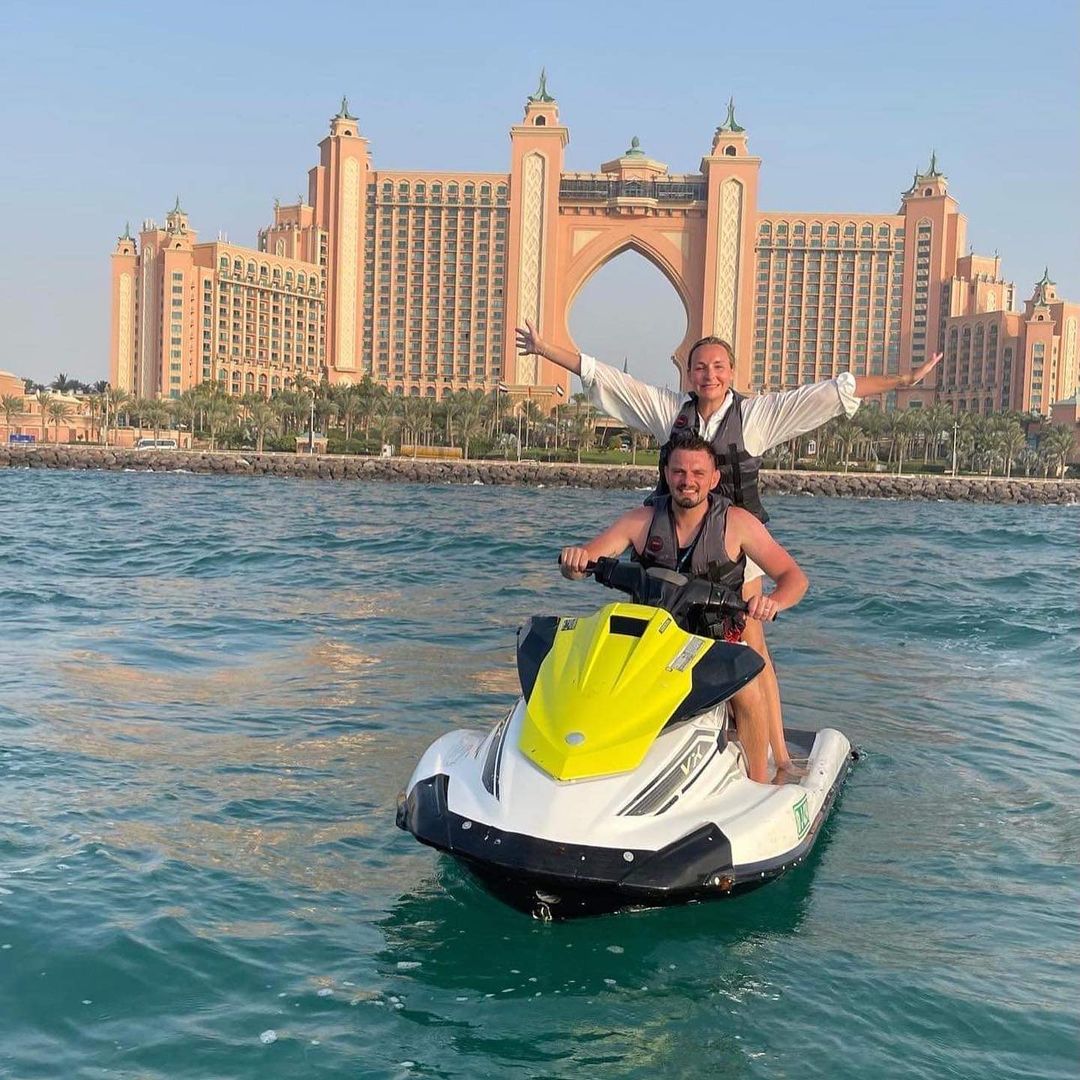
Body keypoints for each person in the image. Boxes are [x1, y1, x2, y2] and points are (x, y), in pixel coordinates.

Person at [518, 321, 942, 771]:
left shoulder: (756, 417)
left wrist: (903, 379)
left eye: (719, 366)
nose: (710, 375)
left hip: (736, 547)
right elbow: (608, 378)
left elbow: (829, 394)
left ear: (732, 372)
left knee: (752, 648)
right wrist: (546, 350)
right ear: (688, 374)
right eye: (700, 367)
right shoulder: (670, 413)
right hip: (675, 541)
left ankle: (778, 759)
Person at [560, 431, 807, 784]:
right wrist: (574, 563)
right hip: (651, 643)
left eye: (697, 473)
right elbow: (586, 560)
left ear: (713, 478)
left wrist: (773, 602)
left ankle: (759, 780)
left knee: (749, 690)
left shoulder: (737, 523)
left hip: (713, 645)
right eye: (678, 472)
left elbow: (794, 577)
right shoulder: (641, 521)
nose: (687, 481)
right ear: (666, 473)